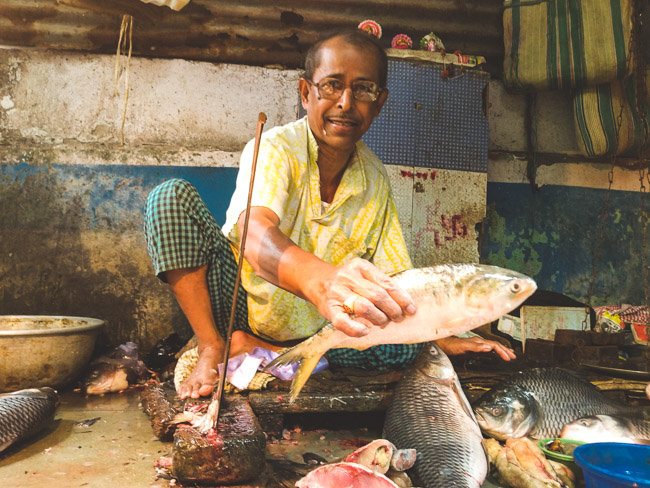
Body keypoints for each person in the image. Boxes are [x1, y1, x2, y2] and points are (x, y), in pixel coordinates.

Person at [144, 30, 514, 400]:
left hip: (323, 322)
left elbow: (396, 281)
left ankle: (265, 348)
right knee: (170, 199)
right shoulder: (276, 147)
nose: (346, 103)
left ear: (380, 102)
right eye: (332, 86)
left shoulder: (374, 178)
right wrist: (323, 282)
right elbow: (252, 234)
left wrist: (440, 333)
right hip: (241, 301)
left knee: (401, 346)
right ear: (306, 93)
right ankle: (213, 343)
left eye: (364, 89)